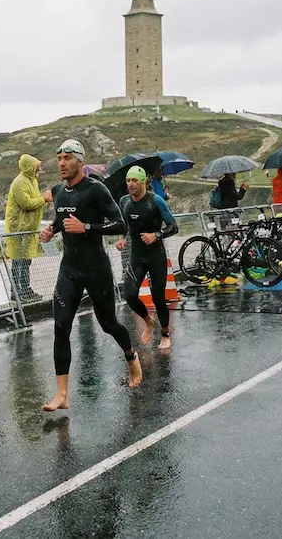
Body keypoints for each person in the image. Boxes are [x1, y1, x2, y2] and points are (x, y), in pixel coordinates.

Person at [39, 139, 141, 411]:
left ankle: (131, 357)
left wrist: (86, 227)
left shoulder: (96, 189)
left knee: (108, 324)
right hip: (69, 269)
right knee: (60, 327)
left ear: (80, 161)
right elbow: (62, 221)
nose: (62, 163)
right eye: (59, 158)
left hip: (96, 268)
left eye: (67, 158)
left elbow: (120, 224)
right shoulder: (58, 190)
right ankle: (62, 395)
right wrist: (51, 230)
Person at [117, 166, 179, 350]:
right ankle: (148, 321)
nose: (130, 184)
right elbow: (124, 224)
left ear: (143, 181)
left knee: (158, 298)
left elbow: (173, 226)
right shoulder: (124, 201)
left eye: (134, 180)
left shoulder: (156, 201)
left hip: (155, 256)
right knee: (129, 295)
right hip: (137, 256)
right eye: (128, 181)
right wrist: (121, 238)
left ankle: (166, 333)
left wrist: (156, 235)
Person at [4, 155, 53, 302]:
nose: (39, 168)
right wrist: (43, 199)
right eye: (37, 166)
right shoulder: (19, 182)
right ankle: (17, 292)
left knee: (25, 261)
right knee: (18, 261)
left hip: (29, 228)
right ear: (29, 167)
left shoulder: (32, 180)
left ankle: (25, 289)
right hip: (18, 229)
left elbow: (35, 201)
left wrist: (43, 200)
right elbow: (26, 203)